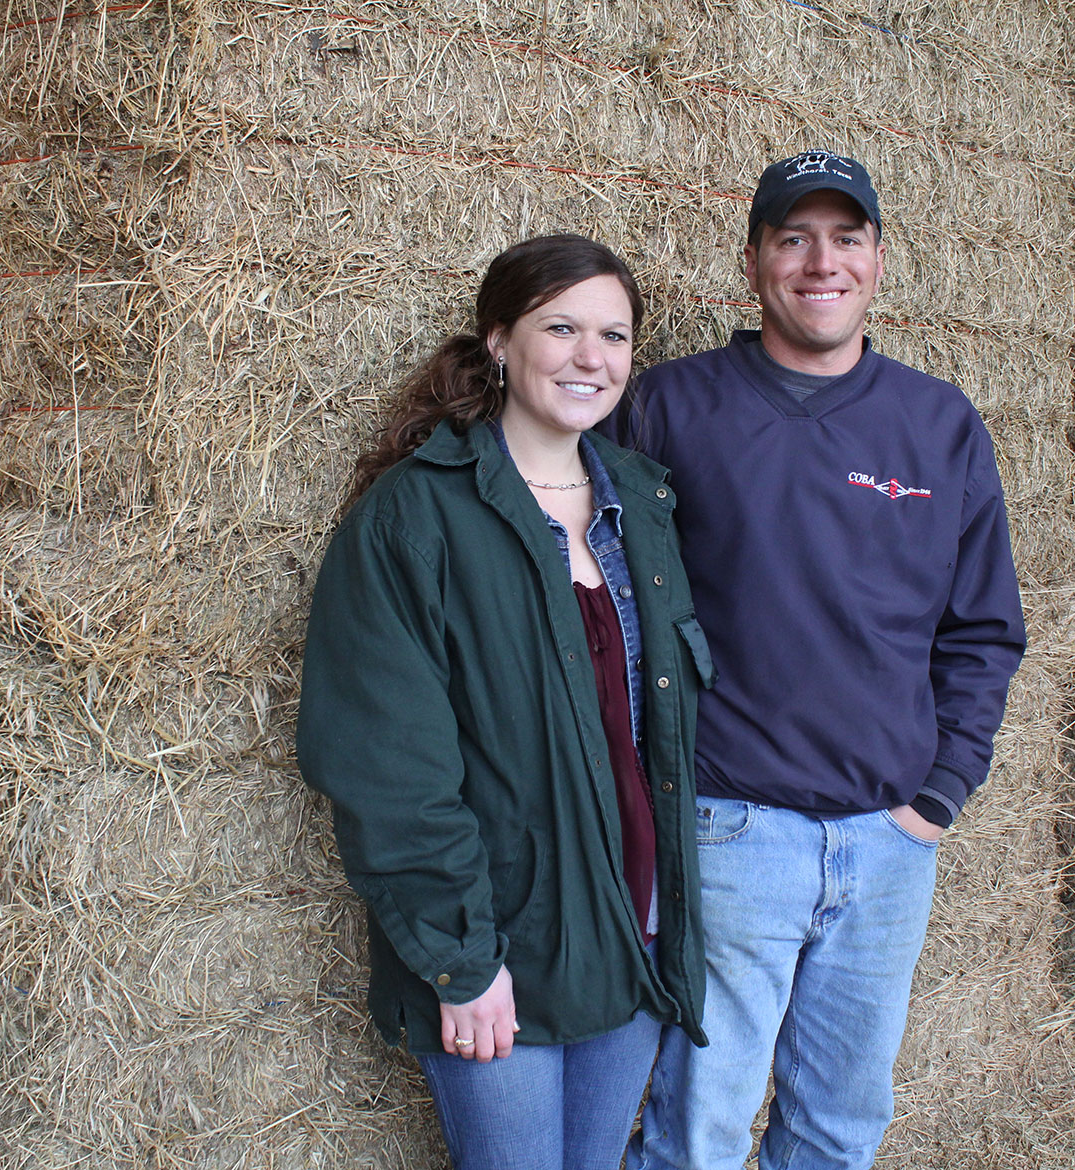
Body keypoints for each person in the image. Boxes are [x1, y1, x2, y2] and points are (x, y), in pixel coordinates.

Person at [607, 152, 1027, 1169]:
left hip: (888, 847)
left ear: (880, 261)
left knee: (840, 1128)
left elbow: (983, 628)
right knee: (696, 1129)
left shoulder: (940, 425)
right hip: (730, 828)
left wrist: (937, 797)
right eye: (793, 238)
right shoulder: (667, 409)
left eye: (846, 239)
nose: (820, 263)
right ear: (752, 262)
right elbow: (594, 596)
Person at [296, 234, 712, 1170]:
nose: (589, 357)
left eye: (613, 334)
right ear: (498, 340)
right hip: (502, 951)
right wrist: (461, 959)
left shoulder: (641, 508)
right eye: (559, 327)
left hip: (636, 937)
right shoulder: (416, 517)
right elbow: (384, 763)